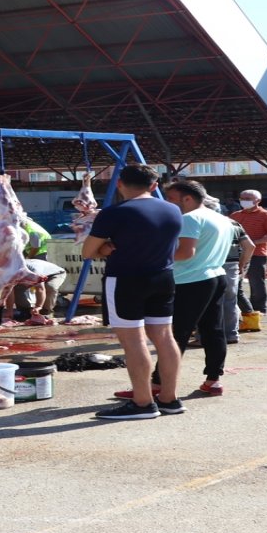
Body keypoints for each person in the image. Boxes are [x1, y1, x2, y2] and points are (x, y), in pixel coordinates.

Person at [82, 163, 183, 420]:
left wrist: (105, 249)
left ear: (119, 184)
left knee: (134, 341)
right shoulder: (173, 210)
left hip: (126, 279)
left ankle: (142, 403)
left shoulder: (114, 213)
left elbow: (87, 252)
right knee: (164, 337)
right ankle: (169, 399)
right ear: (154, 185)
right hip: (163, 277)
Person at [158, 180, 233, 396]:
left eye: (171, 198)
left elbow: (185, 253)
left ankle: (157, 382)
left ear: (188, 198)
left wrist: (153, 254)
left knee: (177, 333)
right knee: (214, 330)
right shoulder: (221, 218)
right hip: (216, 275)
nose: (168, 203)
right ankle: (213, 379)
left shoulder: (189, 218)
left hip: (190, 280)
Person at [206, 197, 254, 345]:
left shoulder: (199, 222)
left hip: (207, 266)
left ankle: (206, 337)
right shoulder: (233, 223)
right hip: (231, 265)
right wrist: (241, 264)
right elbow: (250, 246)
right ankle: (231, 334)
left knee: (206, 301)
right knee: (230, 300)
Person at [228, 189, 267, 315]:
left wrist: (252, 242)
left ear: (258, 200)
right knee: (236, 283)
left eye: (248, 198)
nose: (244, 200)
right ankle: (244, 309)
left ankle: (259, 309)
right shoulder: (235, 215)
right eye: (242, 198)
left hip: (258, 253)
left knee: (256, 282)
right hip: (237, 253)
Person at [10, 259, 66, 324]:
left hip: (55, 274)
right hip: (32, 273)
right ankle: (24, 310)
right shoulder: (10, 270)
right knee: (17, 287)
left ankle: (46, 311)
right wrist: (9, 311)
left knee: (50, 287)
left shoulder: (35, 271)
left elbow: (40, 289)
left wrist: (38, 306)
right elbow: (9, 291)